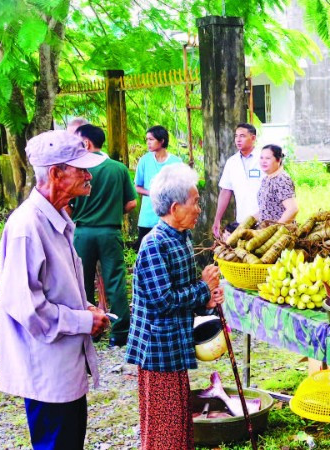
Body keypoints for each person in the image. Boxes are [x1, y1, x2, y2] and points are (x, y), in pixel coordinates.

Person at [0, 130, 110, 449]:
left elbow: (58, 287)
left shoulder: (57, 218)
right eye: (81, 169)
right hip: (46, 372)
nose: (89, 176)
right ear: (56, 174)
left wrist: (85, 307)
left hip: (64, 368)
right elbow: (27, 307)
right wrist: (83, 321)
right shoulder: (27, 227)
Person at [125, 163, 224, 449]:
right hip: (158, 348)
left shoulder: (181, 238)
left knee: (180, 420)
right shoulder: (154, 244)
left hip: (175, 345)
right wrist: (202, 287)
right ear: (175, 207)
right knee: (163, 427)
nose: (198, 209)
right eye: (194, 203)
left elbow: (186, 293)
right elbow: (164, 300)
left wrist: (207, 300)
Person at [70, 124, 137, 347]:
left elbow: (68, 205)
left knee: (82, 282)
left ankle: (91, 330)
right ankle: (120, 333)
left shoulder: (76, 168)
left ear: (87, 143)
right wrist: (113, 211)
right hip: (110, 232)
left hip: (83, 233)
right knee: (115, 281)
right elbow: (131, 202)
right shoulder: (118, 169)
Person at [135, 125, 183, 250]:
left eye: (151, 139)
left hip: (169, 217)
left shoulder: (176, 162)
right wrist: (152, 193)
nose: (148, 143)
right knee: (145, 251)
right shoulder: (144, 161)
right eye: (147, 140)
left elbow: (181, 188)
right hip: (147, 218)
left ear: (161, 140)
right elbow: (137, 187)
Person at [213, 123, 264, 238]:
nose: (238, 140)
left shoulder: (264, 158)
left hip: (264, 221)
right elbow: (226, 191)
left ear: (253, 138)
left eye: (242, 136)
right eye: (236, 136)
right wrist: (217, 219)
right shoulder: (232, 162)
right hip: (242, 222)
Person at [254, 144, 298, 223]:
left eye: (268, 158)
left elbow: (293, 209)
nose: (263, 161)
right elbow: (264, 209)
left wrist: (275, 229)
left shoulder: (282, 179)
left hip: (281, 233)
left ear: (278, 160)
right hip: (265, 231)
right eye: (261, 158)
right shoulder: (266, 179)